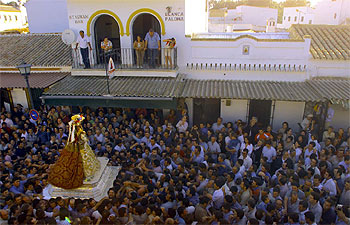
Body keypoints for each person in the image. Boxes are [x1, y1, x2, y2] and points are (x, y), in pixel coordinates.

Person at [48, 115, 100, 189]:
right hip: (79, 149)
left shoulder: (78, 130)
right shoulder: (75, 132)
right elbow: (80, 139)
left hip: (82, 147)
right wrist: (83, 138)